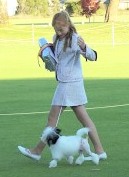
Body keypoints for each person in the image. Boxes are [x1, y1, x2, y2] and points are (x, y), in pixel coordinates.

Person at [18, 11, 107, 161]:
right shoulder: (56, 38)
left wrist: (84, 46)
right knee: (84, 120)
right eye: (56, 30)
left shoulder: (74, 39)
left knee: (52, 120)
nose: (58, 33)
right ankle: (100, 151)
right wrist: (47, 57)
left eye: (61, 30)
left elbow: (93, 56)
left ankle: (37, 151)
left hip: (70, 85)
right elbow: (57, 59)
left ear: (68, 25)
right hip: (66, 84)